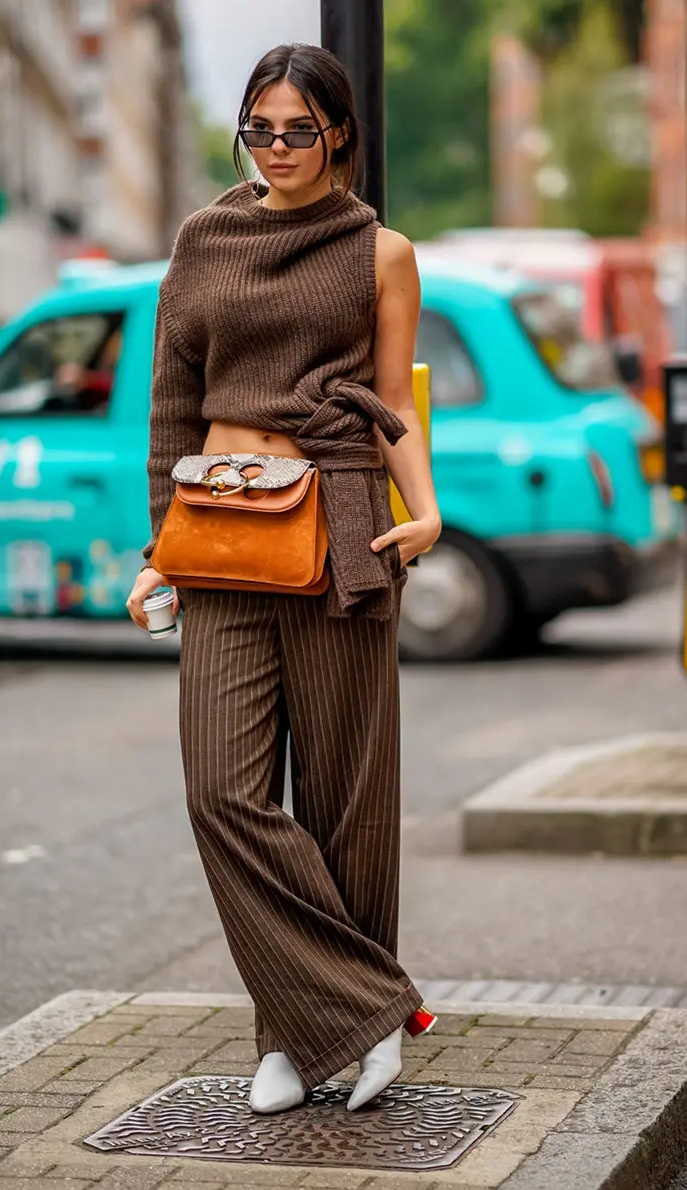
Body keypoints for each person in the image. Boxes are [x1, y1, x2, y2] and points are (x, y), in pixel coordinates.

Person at [126, 43, 442, 1114]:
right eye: (257, 129)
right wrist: (157, 549)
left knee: (348, 797)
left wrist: (425, 508)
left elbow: (392, 399)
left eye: (297, 130)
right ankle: (366, 1006)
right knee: (221, 790)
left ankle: (295, 1041)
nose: (275, 148)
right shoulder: (203, 239)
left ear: (339, 134)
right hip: (220, 530)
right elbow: (172, 402)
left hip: (341, 525)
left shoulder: (380, 252)